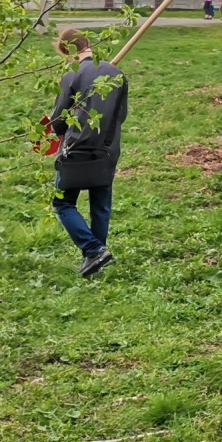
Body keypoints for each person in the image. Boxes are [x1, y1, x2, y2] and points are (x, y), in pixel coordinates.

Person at [48, 27, 127, 277]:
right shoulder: (117, 75)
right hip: (107, 150)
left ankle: (93, 250)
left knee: (62, 202)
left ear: (68, 52)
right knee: (100, 207)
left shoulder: (72, 76)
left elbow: (58, 122)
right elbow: (120, 116)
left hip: (75, 150)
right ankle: (95, 260)